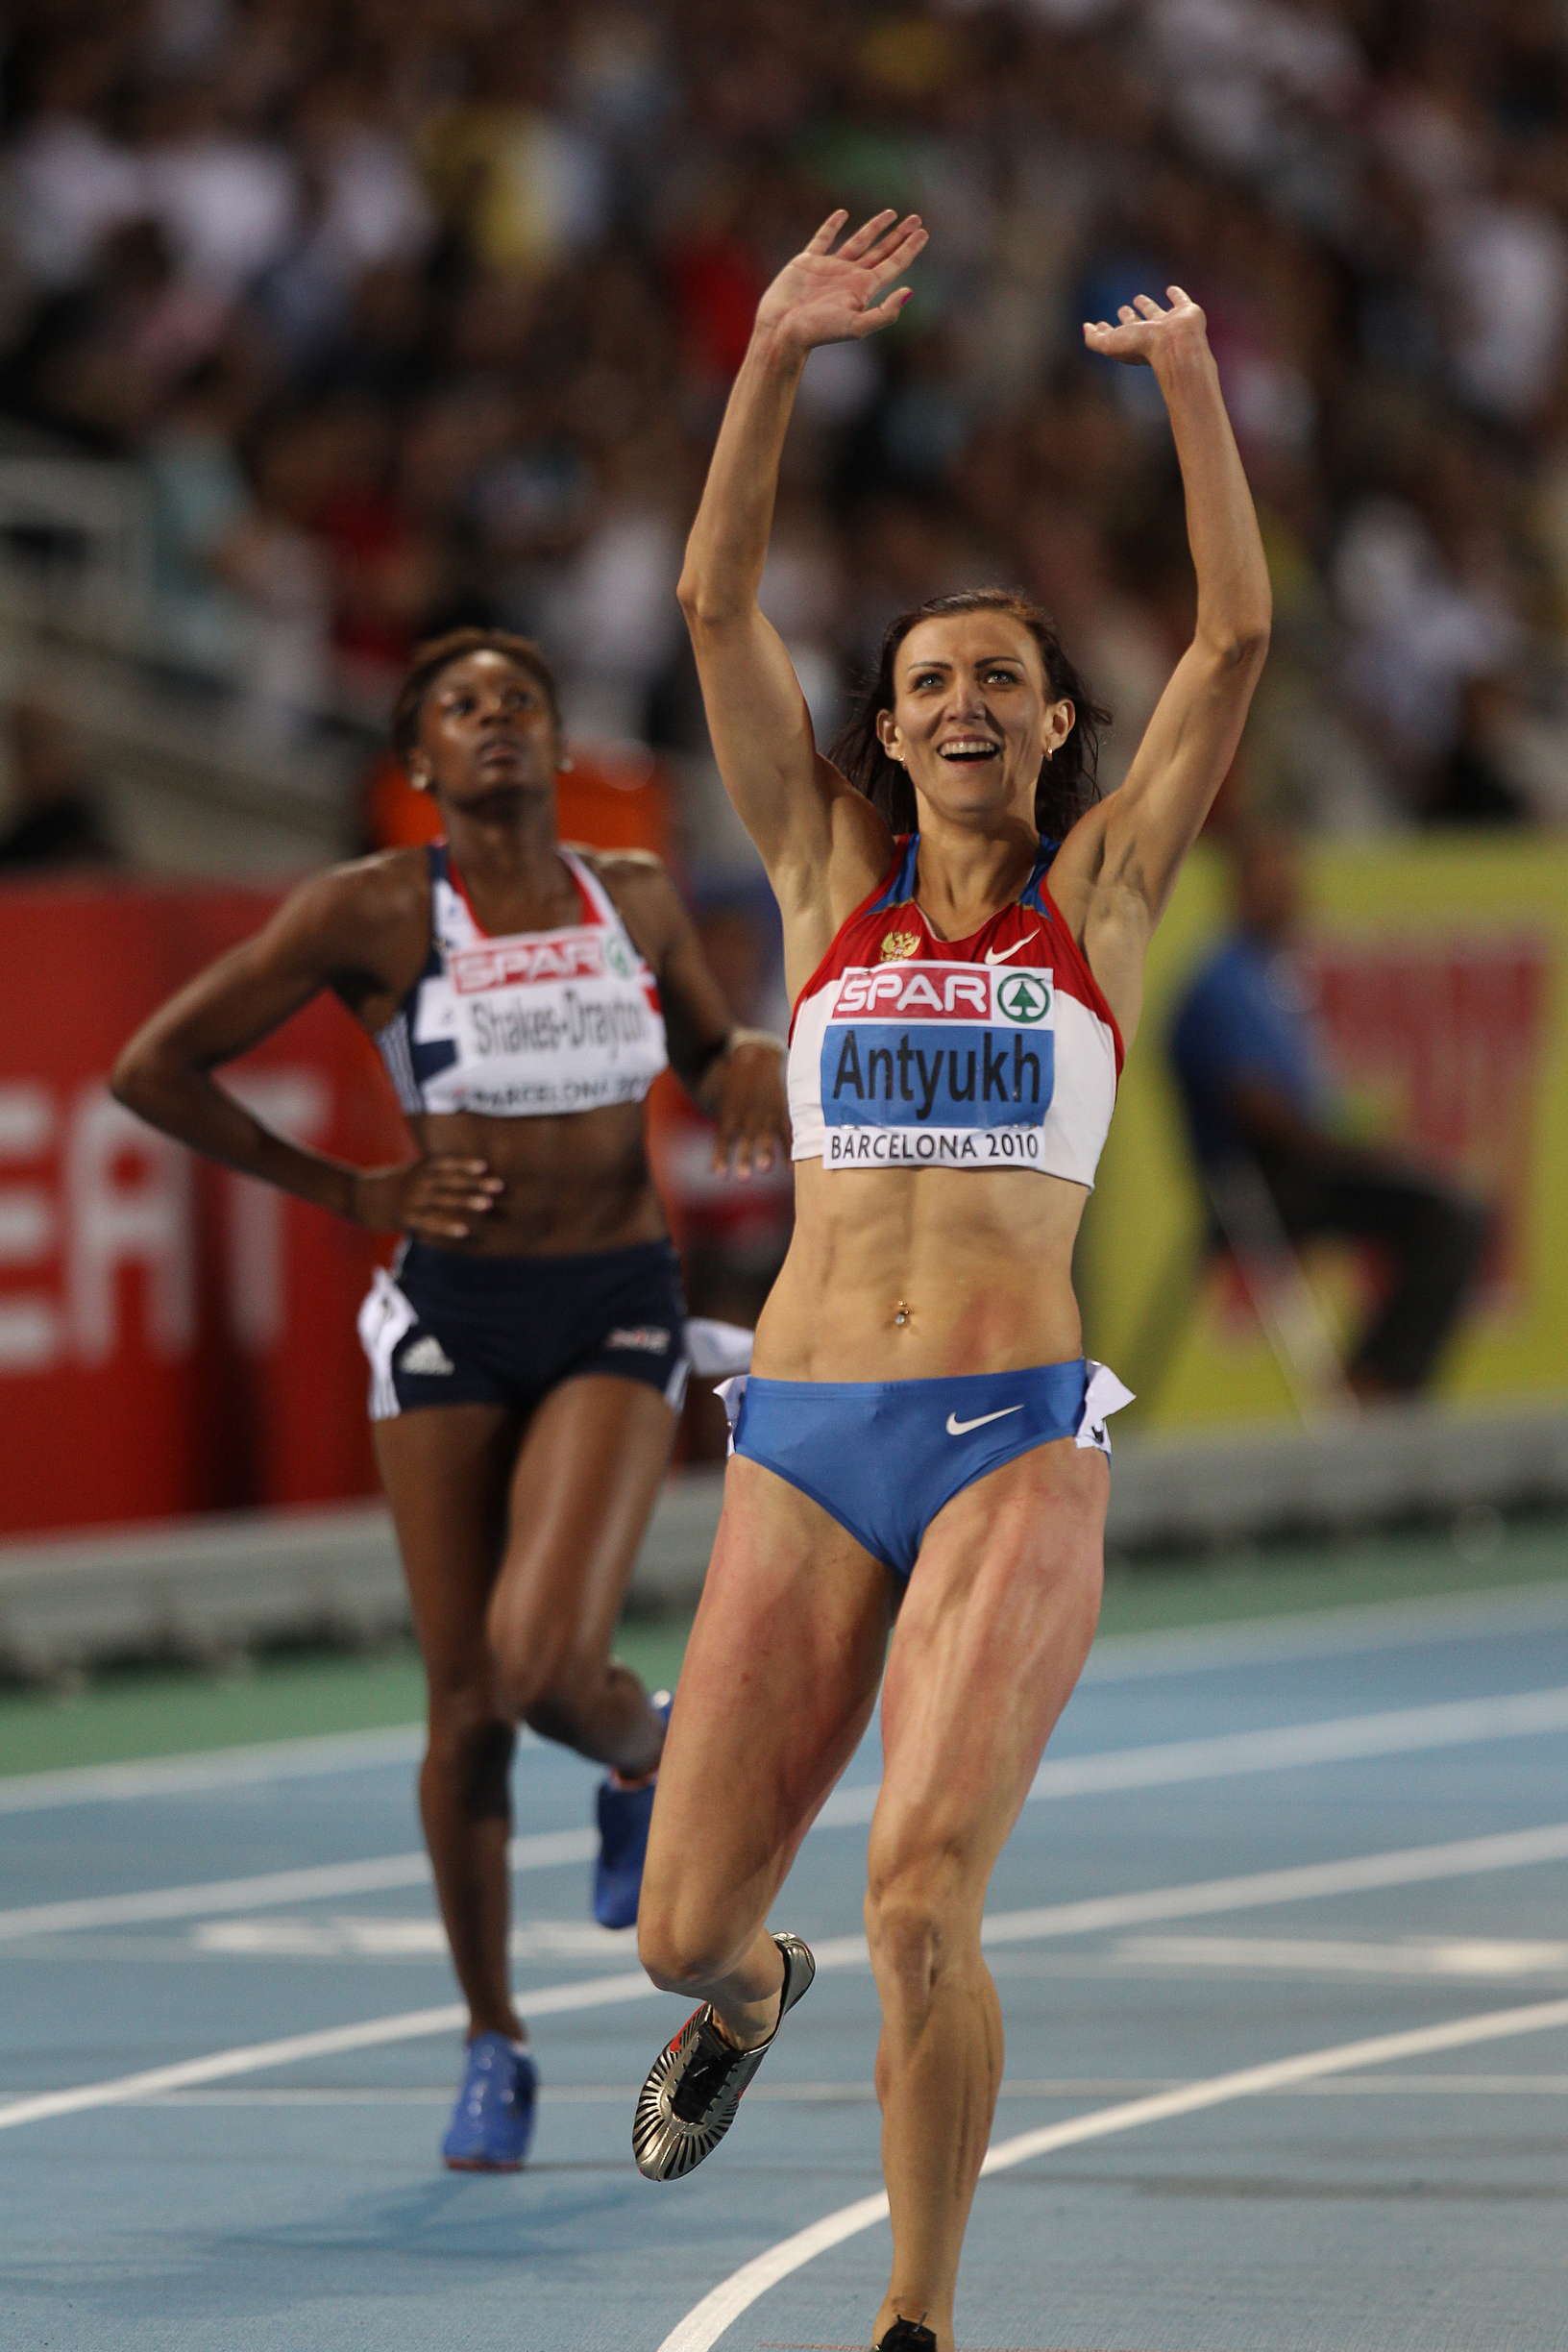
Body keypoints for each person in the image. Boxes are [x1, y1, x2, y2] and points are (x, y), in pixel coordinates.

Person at [628, 210, 1270, 2352]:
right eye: (928, 682)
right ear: (888, 737)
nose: (965, 701)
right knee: (678, 1924)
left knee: (921, 1890)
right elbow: (712, 603)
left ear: (1054, 719)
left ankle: (916, 2317)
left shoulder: (1107, 891)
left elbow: (1235, 639)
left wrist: (1187, 386)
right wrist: (773, 357)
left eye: (1001, 676)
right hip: (808, 1436)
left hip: (1008, 1435)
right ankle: (751, 1995)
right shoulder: (824, 877)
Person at [110, 625, 789, 2173]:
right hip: (452, 1318)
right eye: (460, 708)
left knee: (543, 1662)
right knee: (467, 1704)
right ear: (417, 760)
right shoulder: (367, 908)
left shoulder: (632, 894)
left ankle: (639, 1743)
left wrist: (746, 1056)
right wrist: (351, 1187)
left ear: (558, 744)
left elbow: (707, 1054)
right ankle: (496, 2041)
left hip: (615, 1301)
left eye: (520, 702)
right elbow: (155, 1067)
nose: (495, 722)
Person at [1168, 824, 1490, 1398]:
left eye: (1290, 876)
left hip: (1292, 1171)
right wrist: (1345, 1149)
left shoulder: (1271, 979)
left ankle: (1378, 1380)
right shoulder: (1223, 983)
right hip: (1262, 1185)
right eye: (1272, 879)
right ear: (1241, 888)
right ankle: (1377, 1385)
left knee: (1452, 1207)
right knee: (1454, 1215)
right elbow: (1259, 1110)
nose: (1288, 891)